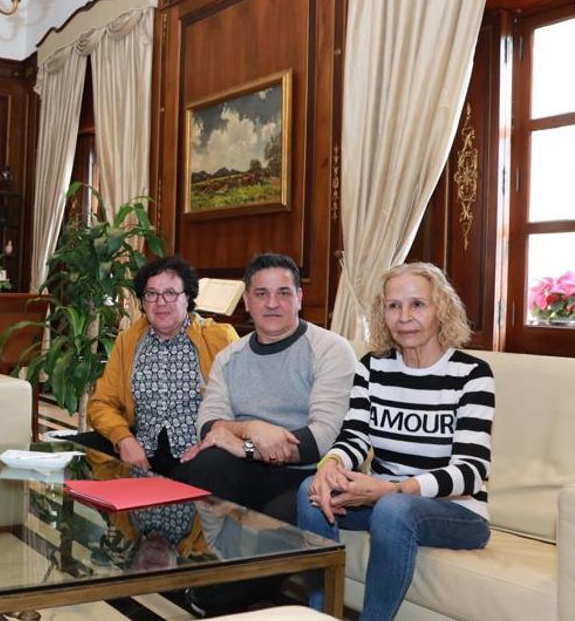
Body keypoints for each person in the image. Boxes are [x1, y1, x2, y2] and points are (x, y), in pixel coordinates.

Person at [297, 262, 495, 620]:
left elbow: (472, 472)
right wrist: (332, 465)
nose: (404, 316)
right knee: (311, 491)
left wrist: (393, 491)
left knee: (393, 508)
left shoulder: (471, 374)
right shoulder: (372, 367)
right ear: (382, 313)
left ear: (442, 310)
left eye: (418, 304)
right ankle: (320, 613)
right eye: (393, 305)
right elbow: (355, 437)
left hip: (458, 512)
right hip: (385, 500)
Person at [177, 253, 356, 615]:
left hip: (309, 475)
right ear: (246, 301)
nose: (272, 304)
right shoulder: (231, 357)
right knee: (203, 465)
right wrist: (250, 430)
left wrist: (237, 443)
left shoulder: (330, 350)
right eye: (261, 294)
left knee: (276, 518)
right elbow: (209, 423)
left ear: (300, 298)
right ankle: (217, 568)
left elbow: (318, 440)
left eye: (283, 293)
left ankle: (216, 594)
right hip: (252, 469)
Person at [75, 255, 237, 477]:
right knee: (76, 450)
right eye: (151, 294)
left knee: (203, 471)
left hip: (198, 452)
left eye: (170, 293)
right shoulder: (129, 340)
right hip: (142, 448)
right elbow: (102, 403)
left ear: (187, 297)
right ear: (142, 301)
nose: (160, 302)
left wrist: (214, 440)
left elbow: (244, 406)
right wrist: (124, 439)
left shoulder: (219, 338)